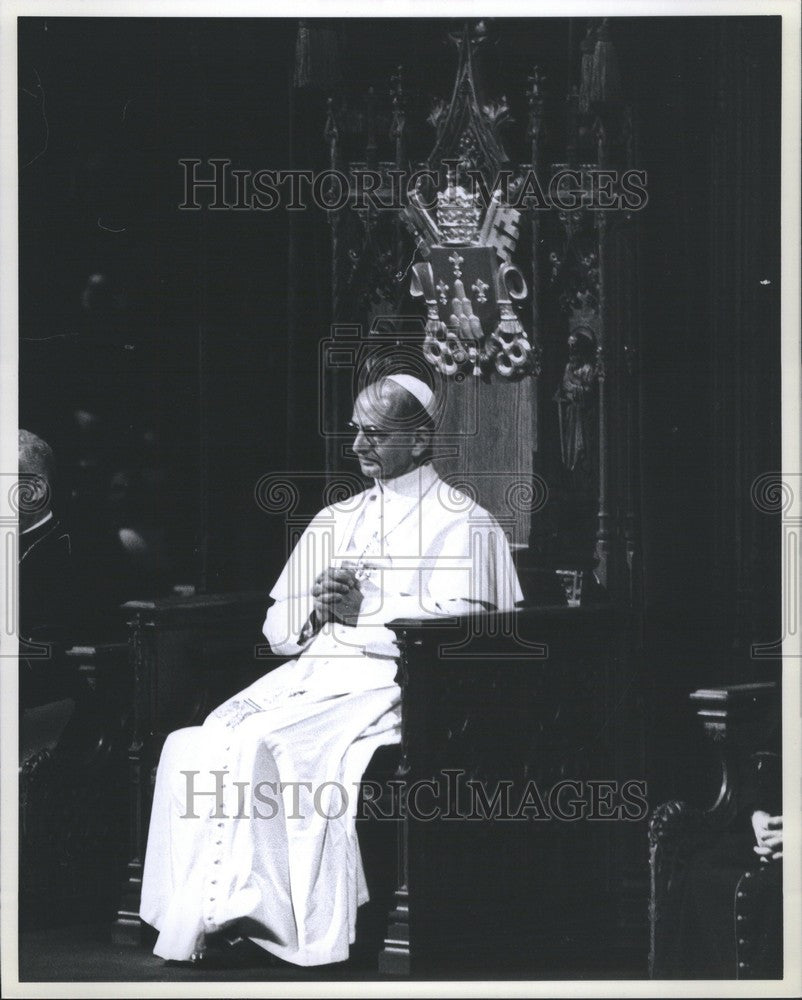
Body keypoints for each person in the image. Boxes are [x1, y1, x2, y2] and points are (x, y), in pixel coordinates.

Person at [139, 373, 523, 967]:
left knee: (261, 744)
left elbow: (467, 634)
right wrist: (316, 607)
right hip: (313, 675)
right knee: (195, 742)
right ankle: (205, 914)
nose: (358, 446)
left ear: (420, 441)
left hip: (391, 685)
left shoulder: (465, 524)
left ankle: (263, 917)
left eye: (375, 433)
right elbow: (276, 627)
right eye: (355, 432)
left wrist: (363, 608)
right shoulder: (335, 518)